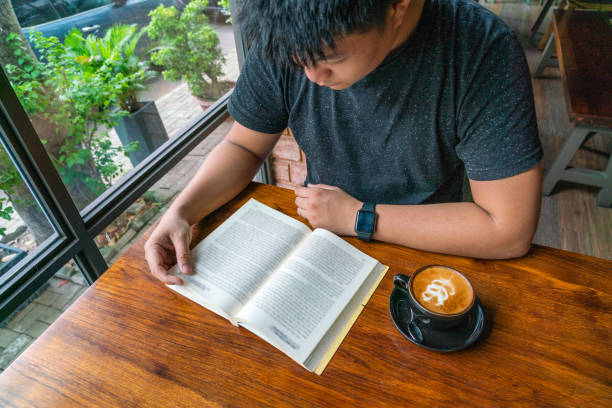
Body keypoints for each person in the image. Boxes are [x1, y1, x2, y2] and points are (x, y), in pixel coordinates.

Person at [145, 0, 543, 285]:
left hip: (430, 251)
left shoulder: (479, 50)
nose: (312, 75)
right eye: (296, 60)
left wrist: (358, 216)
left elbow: (507, 229)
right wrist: (183, 210)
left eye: (330, 57)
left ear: (397, 7)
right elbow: (244, 147)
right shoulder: (289, 30)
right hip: (324, 244)